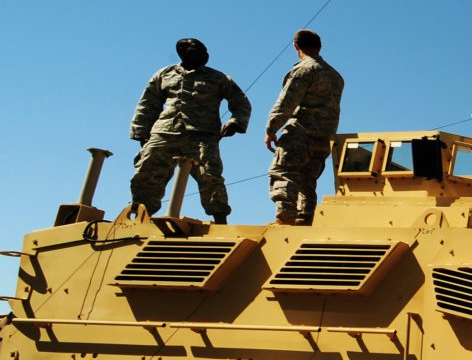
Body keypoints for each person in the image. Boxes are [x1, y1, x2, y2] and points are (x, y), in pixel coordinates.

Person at [129, 37, 251, 223]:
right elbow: (148, 103)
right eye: (199, 52)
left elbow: (241, 102)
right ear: (183, 54)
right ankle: (140, 217)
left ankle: (220, 219)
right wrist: (140, 131)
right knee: (146, 172)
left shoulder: (218, 78)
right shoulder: (164, 74)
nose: (205, 56)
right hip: (165, 133)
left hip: (202, 136)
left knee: (210, 176)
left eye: (205, 52)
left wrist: (236, 121)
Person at [264, 28, 344, 225]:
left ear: (296, 46)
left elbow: (287, 102)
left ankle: (285, 218)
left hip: (300, 132)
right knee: (308, 181)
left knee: (283, 171)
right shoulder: (336, 76)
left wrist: (271, 128)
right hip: (324, 137)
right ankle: (304, 220)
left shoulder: (304, 69)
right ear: (320, 47)